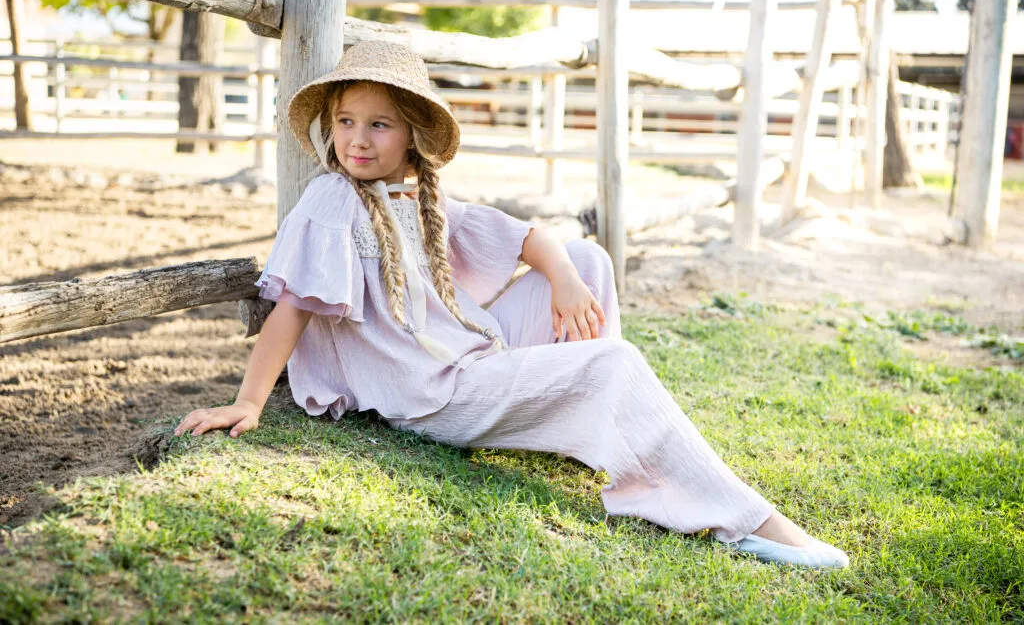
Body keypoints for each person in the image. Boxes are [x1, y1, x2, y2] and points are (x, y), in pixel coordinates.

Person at [174, 40, 849, 569]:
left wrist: (561, 274)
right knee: (612, 364)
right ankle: (748, 521)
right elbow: (291, 306)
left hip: (467, 351)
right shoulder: (331, 200)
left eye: (379, 124)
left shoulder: (417, 197)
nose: (357, 139)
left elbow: (530, 238)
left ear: (410, 136)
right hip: (431, 391)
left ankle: (591, 430)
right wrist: (250, 402)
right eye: (346, 121)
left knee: (585, 261)